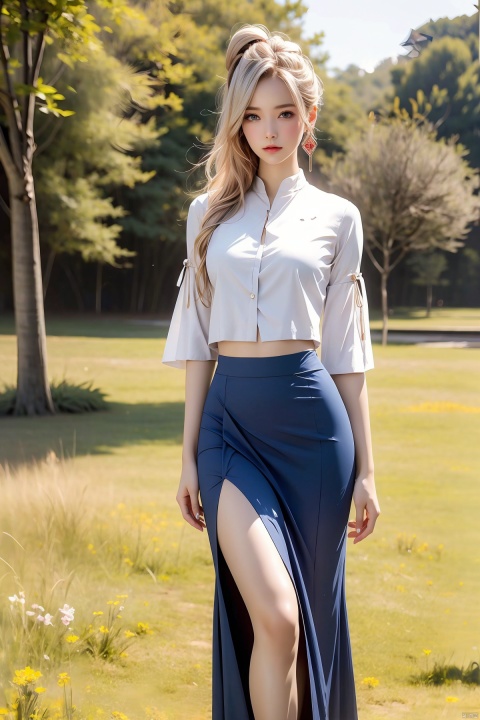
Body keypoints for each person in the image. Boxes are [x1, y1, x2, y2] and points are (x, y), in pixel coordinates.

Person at [162, 23, 381, 720]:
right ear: (237, 123)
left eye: (285, 112)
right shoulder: (208, 214)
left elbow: (346, 353)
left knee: (303, 628)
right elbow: (199, 341)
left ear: (309, 118)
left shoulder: (338, 219)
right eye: (253, 115)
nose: (270, 128)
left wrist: (368, 470)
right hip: (231, 430)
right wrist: (189, 455)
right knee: (276, 618)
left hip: (315, 437)